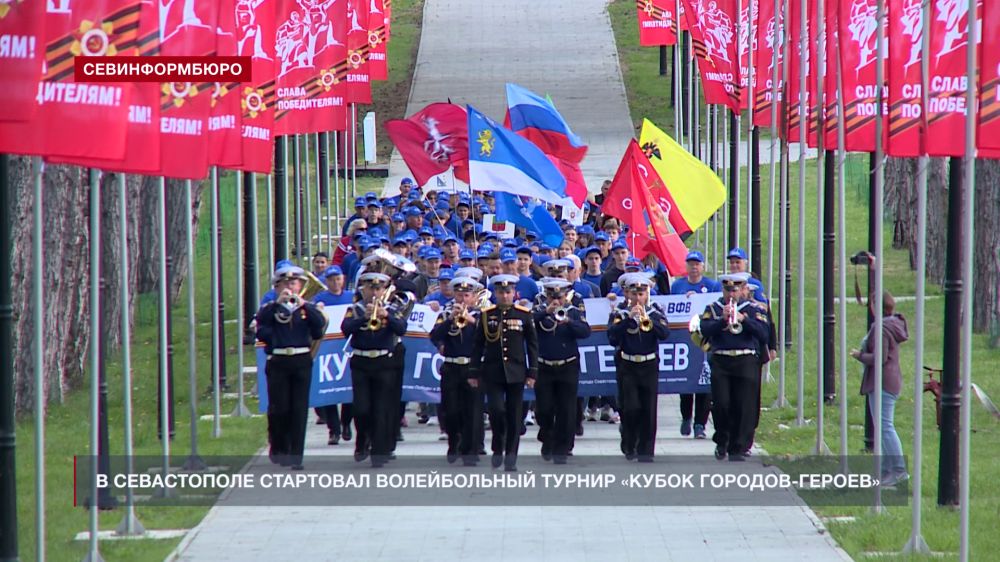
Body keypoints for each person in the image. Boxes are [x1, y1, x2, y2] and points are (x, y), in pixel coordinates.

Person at [255, 266, 327, 469]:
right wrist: (277, 305)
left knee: (299, 409)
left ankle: (296, 456)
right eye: (285, 284)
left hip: (301, 360)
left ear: (300, 286)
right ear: (277, 287)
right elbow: (261, 328)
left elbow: (318, 329)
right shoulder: (270, 308)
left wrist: (305, 306)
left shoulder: (307, 308)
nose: (290, 287)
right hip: (278, 361)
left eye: (293, 283)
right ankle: (279, 446)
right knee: (279, 409)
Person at [697, 272, 770, 462]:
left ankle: (738, 447)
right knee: (721, 403)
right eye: (728, 290)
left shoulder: (753, 309)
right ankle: (722, 440)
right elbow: (704, 330)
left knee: (743, 405)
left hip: (746, 360)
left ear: (744, 290)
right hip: (722, 360)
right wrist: (723, 320)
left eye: (735, 290)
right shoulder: (713, 308)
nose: (731, 294)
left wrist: (744, 320)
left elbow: (764, 334)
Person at [469, 274, 538, 471]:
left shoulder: (524, 314)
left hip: (516, 372)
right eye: (501, 292)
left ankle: (511, 455)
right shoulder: (487, 314)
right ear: (496, 293)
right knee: (496, 410)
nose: (505, 296)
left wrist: (532, 372)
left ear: (514, 293)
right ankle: (498, 445)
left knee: (515, 415)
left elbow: (532, 345)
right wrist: (473, 371)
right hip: (493, 371)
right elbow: (478, 345)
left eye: (508, 292)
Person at [341, 272, 408, 468]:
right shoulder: (355, 309)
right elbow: (346, 328)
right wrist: (364, 318)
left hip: (384, 363)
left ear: (383, 290)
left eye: (378, 289)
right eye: (371, 288)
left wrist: (386, 315)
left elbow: (401, 328)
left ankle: (379, 451)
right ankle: (363, 439)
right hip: (361, 362)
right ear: (364, 290)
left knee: (381, 409)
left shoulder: (391, 308)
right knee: (361, 408)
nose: (374, 292)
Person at [607, 273, 670, 462]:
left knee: (648, 409)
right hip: (627, 364)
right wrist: (628, 319)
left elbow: (664, 334)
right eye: (634, 294)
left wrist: (647, 320)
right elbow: (612, 338)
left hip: (649, 364)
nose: (637, 298)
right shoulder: (619, 313)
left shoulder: (655, 312)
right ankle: (629, 443)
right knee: (630, 407)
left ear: (647, 294)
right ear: (627, 294)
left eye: (641, 294)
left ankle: (646, 451)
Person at [851, 291, 909, 487]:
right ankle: (886, 471)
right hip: (890, 380)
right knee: (883, 428)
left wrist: (859, 355)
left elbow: (880, 358)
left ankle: (899, 470)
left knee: (885, 427)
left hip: (882, 382)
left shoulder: (881, 327)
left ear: (877, 306)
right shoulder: (893, 323)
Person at [533, 278, 591, 464]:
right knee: (544, 409)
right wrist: (545, 312)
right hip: (544, 366)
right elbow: (527, 324)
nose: (556, 300)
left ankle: (562, 449)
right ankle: (547, 436)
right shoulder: (539, 310)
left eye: (559, 297)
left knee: (566, 410)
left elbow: (585, 331)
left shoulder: (573, 311)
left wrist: (568, 321)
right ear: (547, 296)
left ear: (566, 296)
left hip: (568, 365)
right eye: (552, 296)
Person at [430, 277, 486, 465]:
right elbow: (434, 335)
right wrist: (449, 320)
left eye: (467, 295)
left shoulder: (481, 315)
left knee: (473, 411)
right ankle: (454, 443)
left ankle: (471, 451)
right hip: (451, 367)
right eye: (460, 295)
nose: (463, 299)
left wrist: (471, 321)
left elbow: (490, 337)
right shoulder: (446, 314)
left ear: (473, 297)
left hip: (473, 367)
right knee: (451, 410)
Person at [670, 250, 721, 439]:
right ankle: (686, 417)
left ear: (702, 266)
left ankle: (700, 424)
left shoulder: (712, 285)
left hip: (704, 339)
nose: (694, 267)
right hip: (684, 338)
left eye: (697, 264)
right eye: (691, 264)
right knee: (686, 383)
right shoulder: (678, 285)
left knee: (704, 383)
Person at [312, 265, 353, 444]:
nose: (335, 283)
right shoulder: (320, 298)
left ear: (343, 279)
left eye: (338, 279)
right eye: (331, 280)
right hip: (328, 348)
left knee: (349, 388)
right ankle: (333, 430)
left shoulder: (351, 297)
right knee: (329, 390)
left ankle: (346, 423)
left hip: (346, 347)